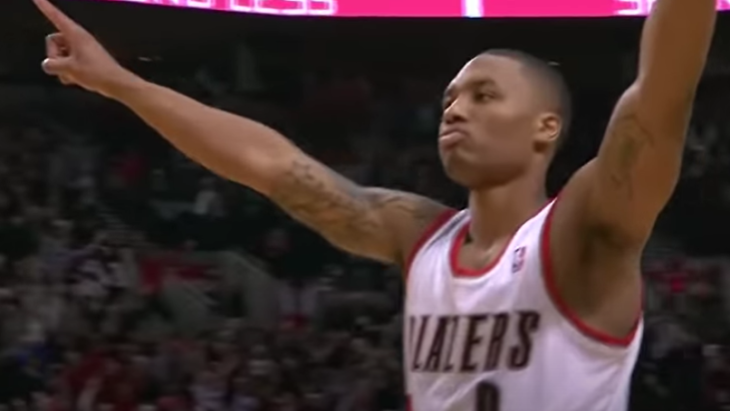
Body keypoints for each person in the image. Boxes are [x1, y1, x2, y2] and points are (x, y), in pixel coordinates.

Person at [31, 0, 716, 409]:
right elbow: (270, 165)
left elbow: (661, 96)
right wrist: (119, 83)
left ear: (547, 127)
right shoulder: (420, 236)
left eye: (483, 96)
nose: (455, 110)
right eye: (449, 98)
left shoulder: (582, 233)